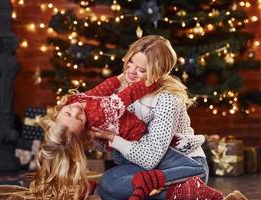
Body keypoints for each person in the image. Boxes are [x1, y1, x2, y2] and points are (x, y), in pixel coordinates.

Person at [91, 35, 247, 200]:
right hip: (144, 168)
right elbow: (119, 149)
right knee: (109, 181)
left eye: (141, 70)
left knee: (111, 188)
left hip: (183, 167)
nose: (130, 72)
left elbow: (150, 158)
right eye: (130, 62)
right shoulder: (120, 92)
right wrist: (96, 137)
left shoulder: (167, 99)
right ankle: (180, 194)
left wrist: (112, 137)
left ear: (158, 72)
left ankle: (198, 191)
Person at [29, 75, 159, 199]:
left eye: (68, 113)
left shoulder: (73, 102)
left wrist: (120, 78)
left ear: (56, 116)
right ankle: (146, 183)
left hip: (120, 141)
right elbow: (126, 97)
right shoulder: (97, 114)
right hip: (137, 137)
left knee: (112, 178)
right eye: (79, 119)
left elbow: (98, 91)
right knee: (114, 177)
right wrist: (151, 81)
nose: (76, 110)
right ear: (83, 128)